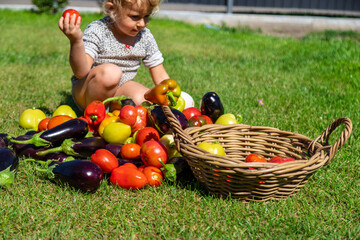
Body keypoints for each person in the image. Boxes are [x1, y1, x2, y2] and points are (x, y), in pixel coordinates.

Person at [58, 0, 170, 111]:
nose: (142, 23)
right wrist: (76, 41)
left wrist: (172, 95)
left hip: (120, 89)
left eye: (146, 16)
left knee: (145, 102)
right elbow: (81, 72)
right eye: (135, 16)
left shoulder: (145, 36)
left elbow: (159, 73)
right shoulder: (98, 30)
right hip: (87, 91)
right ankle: (94, 115)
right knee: (111, 73)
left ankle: (110, 111)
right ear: (112, 9)